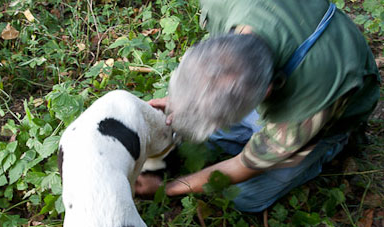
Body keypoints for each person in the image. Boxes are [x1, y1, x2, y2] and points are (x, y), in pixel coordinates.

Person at [135, 0, 381, 212]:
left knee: (245, 196)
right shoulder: (222, 5)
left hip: (327, 104)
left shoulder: (313, 99)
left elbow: (245, 165)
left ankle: (330, 148)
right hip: (272, 67)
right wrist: (185, 100)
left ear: (267, 93)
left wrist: (168, 189)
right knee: (198, 137)